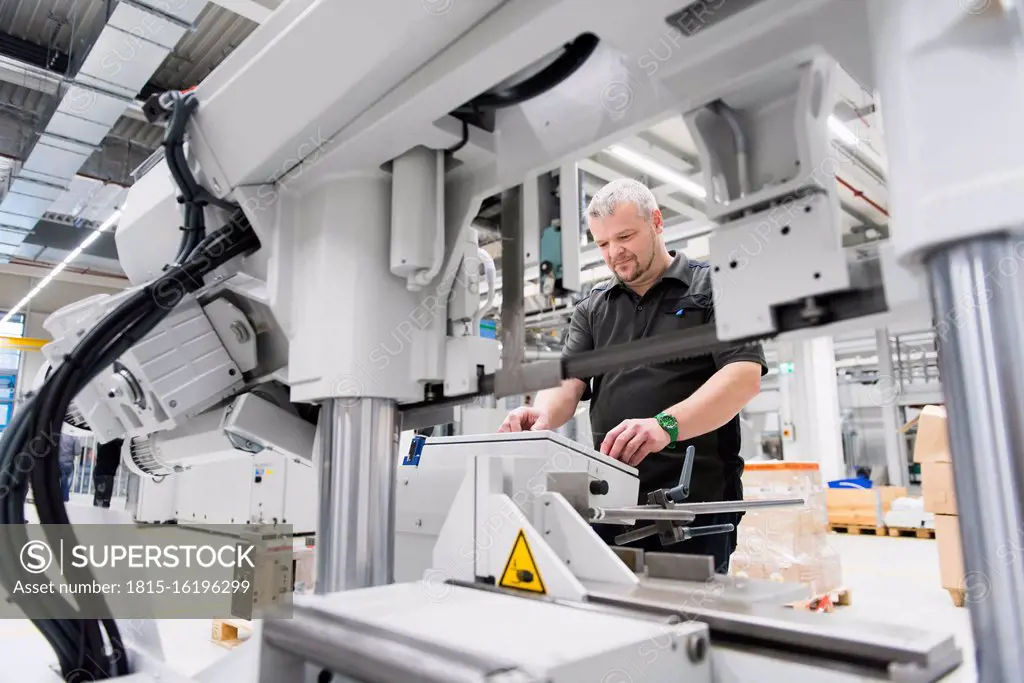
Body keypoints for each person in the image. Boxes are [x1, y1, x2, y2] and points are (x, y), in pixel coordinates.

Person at [498, 178, 767, 573]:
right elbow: (569, 382)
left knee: (683, 618)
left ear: (657, 222)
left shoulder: (716, 284)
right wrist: (542, 416)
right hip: (612, 502)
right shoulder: (594, 308)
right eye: (602, 244)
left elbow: (744, 376)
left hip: (695, 507)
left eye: (625, 236)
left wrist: (664, 426)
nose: (614, 253)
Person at [93, 437, 124, 508]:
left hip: (100, 471)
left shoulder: (101, 439)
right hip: (107, 473)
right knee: (105, 499)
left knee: (99, 497)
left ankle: (97, 512)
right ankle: (102, 513)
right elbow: (123, 442)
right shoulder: (115, 441)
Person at [58, 431, 79, 503]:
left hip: (58, 462)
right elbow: (77, 451)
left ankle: (57, 497)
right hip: (68, 463)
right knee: (66, 482)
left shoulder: (58, 434)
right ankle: (64, 499)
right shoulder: (74, 437)